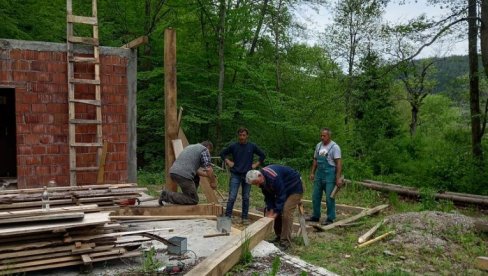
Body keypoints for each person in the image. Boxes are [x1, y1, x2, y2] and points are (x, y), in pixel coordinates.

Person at [246, 165, 303, 249]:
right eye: (254, 184)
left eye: (256, 182)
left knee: (286, 211)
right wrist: (271, 209)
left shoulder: (273, 177)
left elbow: (281, 195)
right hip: (284, 189)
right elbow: (268, 196)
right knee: (275, 210)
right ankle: (279, 236)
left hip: (294, 188)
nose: (257, 185)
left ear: (259, 176)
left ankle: (285, 242)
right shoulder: (262, 180)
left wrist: (275, 212)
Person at [220, 127, 266, 224]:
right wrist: (228, 161)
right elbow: (222, 153)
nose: (242, 137)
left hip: (248, 176)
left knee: (246, 197)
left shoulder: (252, 146)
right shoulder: (233, 146)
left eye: (244, 135)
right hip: (235, 174)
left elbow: (263, 155)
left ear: (247, 136)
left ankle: (244, 218)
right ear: (238, 136)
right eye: (240, 135)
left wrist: (255, 165)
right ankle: (227, 218)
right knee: (232, 197)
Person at [159, 141, 217, 205]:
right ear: (208, 147)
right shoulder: (204, 150)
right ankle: (166, 195)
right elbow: (209, 169)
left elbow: (196, 171)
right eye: (210, 151)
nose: (209, 154)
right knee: (193, 200)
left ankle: (189, 196)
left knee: (196, 178)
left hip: (174, 172)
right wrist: (213, 182)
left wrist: (208, 175)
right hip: (183, 175)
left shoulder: (190, 147)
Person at [307, 128, 343, 225]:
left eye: (324, 136)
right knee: (315, 196)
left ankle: (330, 218)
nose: (322, 137)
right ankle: (315, 216)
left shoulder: (335, 147)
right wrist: (312, 173)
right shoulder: (318, 146)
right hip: (319, 174)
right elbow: (315, 160)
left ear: (329, 136)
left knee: (329, 197)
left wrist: (338, 177)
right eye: (321, 135)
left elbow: (338, 163)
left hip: (330, 174)